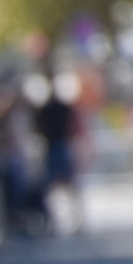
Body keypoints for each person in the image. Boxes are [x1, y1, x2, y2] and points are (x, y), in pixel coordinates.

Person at [34, 73, 83, 233]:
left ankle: (73, 219)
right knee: (57, 186)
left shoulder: (57, 108)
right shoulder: (49, 108)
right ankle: (61, 220)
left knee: (62, 185)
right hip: (55, 146)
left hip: (58, 145)